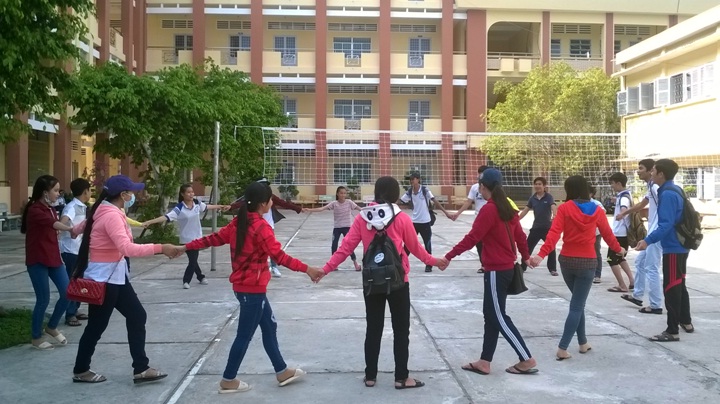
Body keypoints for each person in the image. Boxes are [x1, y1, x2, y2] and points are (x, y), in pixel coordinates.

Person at [176, 182, 324, 393]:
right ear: (263, 204)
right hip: (251, 290)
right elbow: (279, 256)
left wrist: (185, 247)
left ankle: (281, 370)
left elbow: (213, 238)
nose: (272, 203)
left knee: (269, 326)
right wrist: (307, 269)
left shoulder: (239, 222)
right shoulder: (260, 227)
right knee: (244, 335)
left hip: (248, 288)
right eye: (271, 200)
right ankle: (228, 380)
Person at [319, 176, 447, 389]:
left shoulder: (363, 218)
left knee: (373, 328)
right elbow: (416, 249)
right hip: (398, 281)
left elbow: (345, 248)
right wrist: (435, 261)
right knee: (401, 330)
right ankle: (401, 378)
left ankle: (370, 376)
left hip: (372, 281)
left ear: (376, 192)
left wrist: (324, 270)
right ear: (396, 195)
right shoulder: (402, 218)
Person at [72, 175, 177, 384]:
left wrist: (73, 232)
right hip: (105, 279)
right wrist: (161, 248)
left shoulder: (104, 209)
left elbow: (82, 226)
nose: (133, 195)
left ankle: (141, 368)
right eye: (131, 192)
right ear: (123, 195)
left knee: (137, 315)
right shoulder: (110, 215)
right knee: (96, 327)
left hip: (115, 277)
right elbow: (127, 248)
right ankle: (81, 370)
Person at [443, 169, 538, 376]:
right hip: (505, 269)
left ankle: (526, 358)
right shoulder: (507, 208)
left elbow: (472, 238)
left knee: (498, 316)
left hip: (497, 270)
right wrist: (526, 256)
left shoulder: (489, 209)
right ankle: (485, 361)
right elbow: (520, 236)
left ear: (483, 187)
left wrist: (448, 256)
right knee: (491, 315)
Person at [528, 176, 625, 360]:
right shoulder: (598, 210)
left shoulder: (564, 208)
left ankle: (583, 342)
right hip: (587, 262)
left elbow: (554, 234)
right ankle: (562, 348)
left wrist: (541, 255)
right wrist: (619, 249)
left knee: (577, 303)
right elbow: (608, 235)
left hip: (567, 261)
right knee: (577, 305)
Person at [21, 175, 83, 350]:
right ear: (44, 192)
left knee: (68, 293)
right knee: (43, 299)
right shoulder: (35, 210)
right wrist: (71, 229)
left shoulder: (50, 208)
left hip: (53, 258)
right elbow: (53, 224)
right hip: (37, 260)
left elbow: (54, 227)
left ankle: (52, 327)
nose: (58, 194)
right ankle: (36, 337)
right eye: (55, 190)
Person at [636, 159, 693, 342]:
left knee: (671, 287)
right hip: (681, 246)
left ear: (661, 174)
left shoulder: (667, 194)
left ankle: (672, 331)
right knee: (679, 284)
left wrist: (647, 241)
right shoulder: (675, 189)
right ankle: (686, 321)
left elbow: (666, 225)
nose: (651, 173)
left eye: (653, 170)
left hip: (674, 247)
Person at [143, 184, 230, 289]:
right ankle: (186, 280)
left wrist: (220, 206)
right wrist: (149, 222)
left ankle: (200, 277)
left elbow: (207, 207)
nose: (191, 194)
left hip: (197, 238)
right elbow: (165, 217)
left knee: (193, 259)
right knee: (193, 260)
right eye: (188, 192)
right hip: (186, 239)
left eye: (192, 192)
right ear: (182, 194)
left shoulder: (197, 203)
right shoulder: (179, 208)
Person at [230, 178, 303, 278]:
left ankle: (273, 267)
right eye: (264, 185)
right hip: (256, 227)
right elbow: (243, 203)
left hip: (268, 226)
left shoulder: (270, 197)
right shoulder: (252, 204)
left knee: (272, 248)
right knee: (257, 249)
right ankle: (255, 268)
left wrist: (298, 209)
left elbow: (283, 203)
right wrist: (231, 207)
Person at [616, 159, 663, 314]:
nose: (638, 171)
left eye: (641, 168)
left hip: (657, 232)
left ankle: (655, 305)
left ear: (651, 171)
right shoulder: (651, 186)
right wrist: (625, 213)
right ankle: (637, 296)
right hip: (652, 231)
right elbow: (642, 205)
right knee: (640, 262)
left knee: (651, 267)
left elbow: (666, 206)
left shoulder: (656, 187)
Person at [399, 172, 450, 272]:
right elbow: (401, 201)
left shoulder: (424, 190)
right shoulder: (410, 192)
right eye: (410, 179)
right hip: (414, 222)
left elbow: (434, 201)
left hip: (425, 221)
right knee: (408, 244)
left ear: (418, 179)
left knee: (427, 243)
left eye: (413, 179)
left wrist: (446, 212)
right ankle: (401, 263)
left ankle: (429, 264)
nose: (411, 181)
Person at [303, 186, 362, 271]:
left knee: (349, 246)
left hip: (347, 228)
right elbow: (321, 208)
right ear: (337, 194)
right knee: (334, 245)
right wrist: (309, 209)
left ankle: (355, 263)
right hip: (337, 228)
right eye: (341, 193)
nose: (343, 195)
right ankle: (334, 264)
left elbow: (360, 209)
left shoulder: (349, 202)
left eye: (344, 193)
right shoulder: (334, 203)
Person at [60, 178, 92, 327]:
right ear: (85, 191)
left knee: (80, 280)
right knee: (73, 281)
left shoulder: (82, 207)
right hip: (70, 250)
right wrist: (69, 229)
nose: (90, 193)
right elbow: (63, 220)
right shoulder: (72, 207)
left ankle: (75, 308)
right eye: (90, 190)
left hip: (79, 249)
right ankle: (70, 313)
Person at [450, 166, 489, 273]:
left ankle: (491, 263)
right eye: (479, 173)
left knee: (490, 242)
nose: (479, 175)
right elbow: (468, 202)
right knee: (478, 242)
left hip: (489, 219)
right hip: (478, 220)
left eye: (482, 173)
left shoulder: (492, 187)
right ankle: (483, 265)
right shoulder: (475, 188)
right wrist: (458, 213)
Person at [518, 177, 558, 275]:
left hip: (547, 228)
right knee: (527, 248)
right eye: (536, 184)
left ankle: (552, 269)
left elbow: (553, 206)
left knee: (551, 248)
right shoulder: (533, 198)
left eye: (539, 184)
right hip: (536, 228)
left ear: (544, 186)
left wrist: (554, 215)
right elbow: (525, 210)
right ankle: (523, 267)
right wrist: (516, 220)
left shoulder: (549, 197)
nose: (537, 186)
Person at [606, 172, 635, 293]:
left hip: (619, 234)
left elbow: (624, 208)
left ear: (618, 183)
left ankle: (622, 285)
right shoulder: (625, 195)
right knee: (620, 258)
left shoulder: (623, 198)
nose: (612, 186)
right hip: (622, 233)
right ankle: (632, 281)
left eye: (612, 183)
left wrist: (621, 214)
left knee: (611, 259)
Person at [588, 185, 605, 284]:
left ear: (591, 194)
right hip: (585, 232)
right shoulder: (580, 203)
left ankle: (597, 275)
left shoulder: (596, 204)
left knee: (596, 252)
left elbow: (602, 215)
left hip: (596, 233)